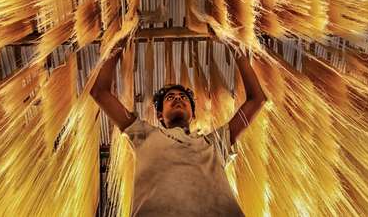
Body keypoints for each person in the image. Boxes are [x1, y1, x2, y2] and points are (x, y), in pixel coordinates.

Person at [90, 36, 267, 216]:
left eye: (183, 98)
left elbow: (257, 100)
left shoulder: (215, 143)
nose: (178, 99)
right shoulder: (143, 133)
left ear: (193, 114)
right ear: (159, 115)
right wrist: (117, 45)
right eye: (170, 98)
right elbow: (100, 93)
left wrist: (236, 48)